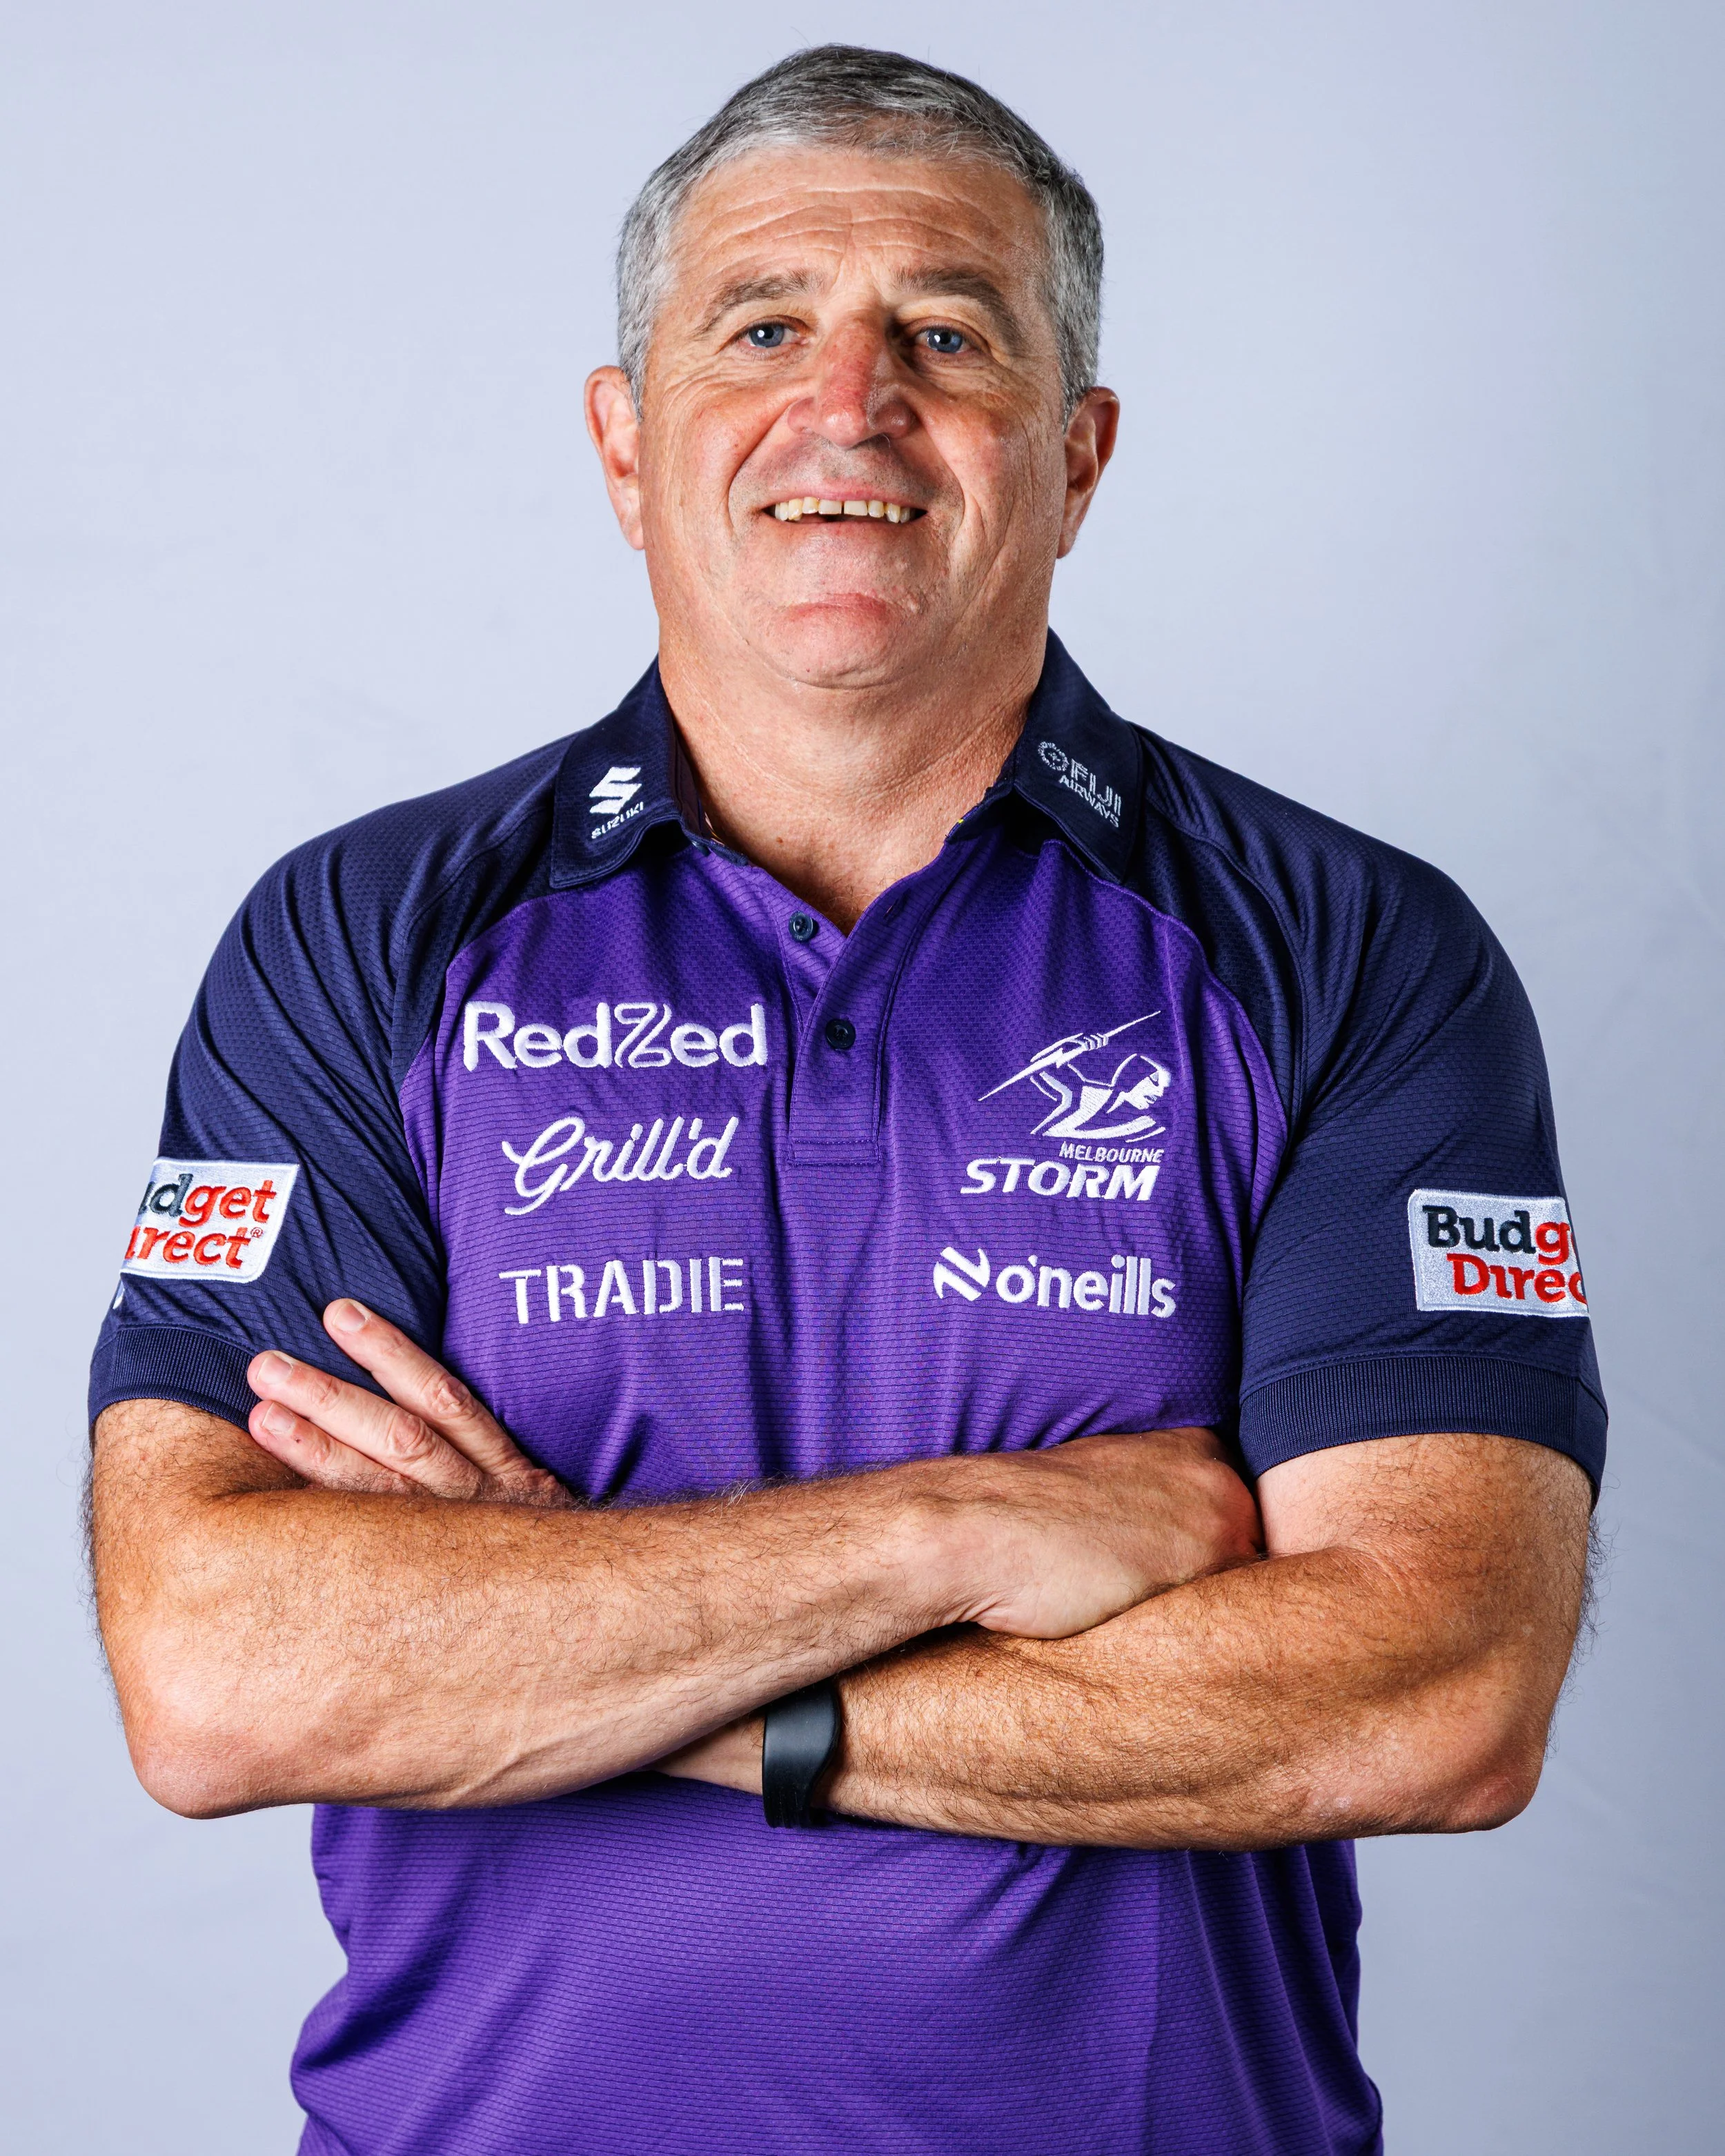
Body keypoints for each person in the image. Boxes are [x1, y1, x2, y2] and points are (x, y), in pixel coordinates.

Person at [89, 45, 1604, 2156]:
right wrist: (965, 1525)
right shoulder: (361, 938)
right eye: (763, 322)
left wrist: (608, 1649)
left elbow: (1429, 1690)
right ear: (624, 439)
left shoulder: (1346, 948)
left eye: (947, 332)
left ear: (1073, 457)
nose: (851, 400)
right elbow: (222, 1669)